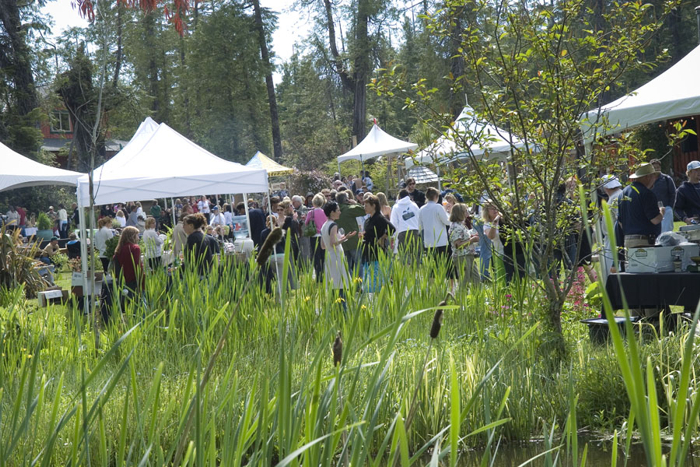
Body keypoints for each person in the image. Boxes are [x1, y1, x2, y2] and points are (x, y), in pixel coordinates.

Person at [617, 163, 664, 249]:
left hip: (627, 241)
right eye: (654, 176)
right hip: (644, 241)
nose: (655, 179)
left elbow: (620, 222)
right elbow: (655, 220)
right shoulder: (646, 193)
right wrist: (661, 211)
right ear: (647, 177)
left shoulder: (622, 193)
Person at [321, 201, 356, 308]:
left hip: (329, 257)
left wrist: (340, 238)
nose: (340, 212)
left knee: (333, 286)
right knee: (341, 285)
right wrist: (346, 238)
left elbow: (323, 245)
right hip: (336, 257)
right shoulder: (333, 225)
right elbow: (333, 243)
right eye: (338, 210)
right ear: (332, 212)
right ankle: (343, 312)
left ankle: (335, 311)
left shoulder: (324, 225)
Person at [361, 194, 394, 293]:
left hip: (377, 253)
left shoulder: (379, 217)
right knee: (370, 283)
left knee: (379, 283)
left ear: (373, 206)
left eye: (366, 205)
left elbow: (392, 228)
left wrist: (383, 237)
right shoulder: (367, 220)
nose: (364, 207)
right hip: (368, 252)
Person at [449, 203, 480, 287]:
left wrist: (471, 237)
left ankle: (476, 298)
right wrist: (472, 240)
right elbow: (457, 245)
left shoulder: (461, 225)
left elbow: (463, 239)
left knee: (476, 280)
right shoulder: (456, 227)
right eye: (465, 211)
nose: (467, 212)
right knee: (464, 282)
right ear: (460, 213)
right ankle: (462, 299)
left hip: (469, 255)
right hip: (462, 257)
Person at [336, 191, 366, 274]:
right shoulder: (349, 209)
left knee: (346, 265)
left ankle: (349, 283)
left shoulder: (335, 211)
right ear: (346, 200)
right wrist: (355, 203)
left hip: (342, 241)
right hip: (353, 241)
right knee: (358, 263)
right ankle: (358, 284)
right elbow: (364, 210)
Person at [600, 175, 624, 274]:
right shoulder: (617, 196)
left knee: (611, 269)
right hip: (611, 237)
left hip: (614, 237)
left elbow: (620, 219)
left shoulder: (616, 197)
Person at [390, 189, 421, 264]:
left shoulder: (396, 207)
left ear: (399, 197)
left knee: (404, 257)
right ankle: (415, 273)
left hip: (402, 233)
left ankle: (406, 274)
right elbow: (419, 218)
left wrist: (393, 236)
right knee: (415, 255)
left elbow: (393, 223)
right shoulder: (413, 205)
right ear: (408, 196)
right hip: (414, 231)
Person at [419, 187, 451, 255]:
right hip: (441, 241)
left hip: (428, 241)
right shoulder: (438, 207)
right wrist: (445, 210)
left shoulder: (421, 209)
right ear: (436, 196)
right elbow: (447, 222)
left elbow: (420, 226)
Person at [112, 226, 144, 292]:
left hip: (123, 281)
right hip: (134, 281)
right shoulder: (135, 248)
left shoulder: (119, 249)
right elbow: (138, 266)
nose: (138, 238)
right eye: (137, 235)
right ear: (132, 236)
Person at [305, 193, 328, 282]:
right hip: (324, 236)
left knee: (316, 256)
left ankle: (319, 276)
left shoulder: (311, 212)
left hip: (314, 236)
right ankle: (325, 274)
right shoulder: (324, 212)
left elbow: (306, 223)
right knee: (324, 256)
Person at [675, 160, 700, 225]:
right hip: (695, 224)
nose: (699, 172)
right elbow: (677, 208)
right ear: (689, 173)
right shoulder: (682, 190)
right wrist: (685, 219)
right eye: (696, 170)